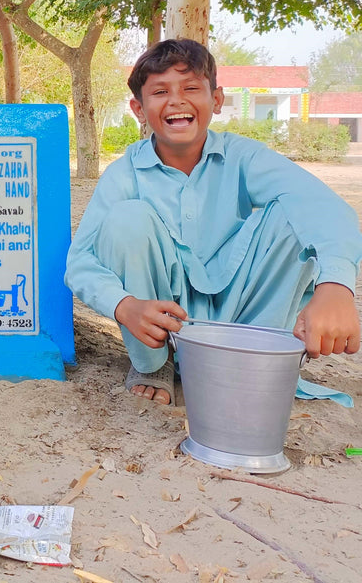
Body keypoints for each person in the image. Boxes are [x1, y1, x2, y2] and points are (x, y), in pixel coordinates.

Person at [65, 39, 362, 405]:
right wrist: (125, 305)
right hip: (165, 328)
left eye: (191, 88)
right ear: (138, 109)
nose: (176, 101)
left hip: (241, 313)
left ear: (217, 100)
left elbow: (324, 207)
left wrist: (336, 287)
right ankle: (152, 366)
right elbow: (80, 263)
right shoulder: (125, 174)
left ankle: (251, 355)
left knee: (294, 211)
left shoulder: (243, 156)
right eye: (160, 92)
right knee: (127, 219)